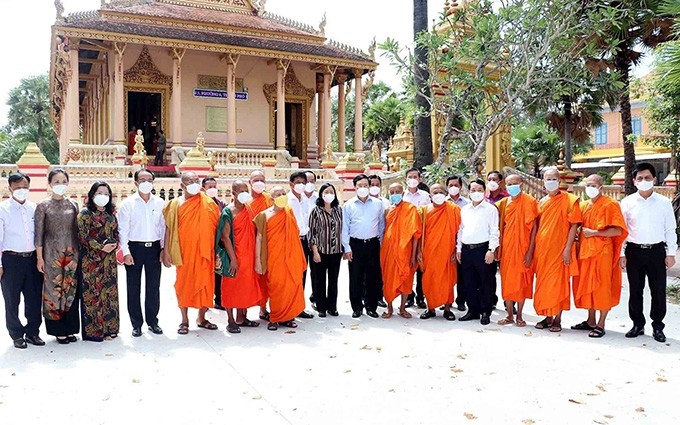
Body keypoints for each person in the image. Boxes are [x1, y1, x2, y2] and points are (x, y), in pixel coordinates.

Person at [619, 163, 677, 343]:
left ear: (654, 179)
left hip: (657, 251)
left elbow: (670, 229)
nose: (644, 181)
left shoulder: (664, 203)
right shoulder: (627, 202)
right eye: (640, 178)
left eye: (647, 178)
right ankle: (637, 324)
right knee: (635, 291)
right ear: (634, 181)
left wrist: (671, 253)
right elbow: (622, 230)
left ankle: (658, 326)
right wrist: (622, 253)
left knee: (658, 291)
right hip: (634, 251)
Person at [162, 171, 221, 335]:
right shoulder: (175, 204)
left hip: (205, 252)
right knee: (183, 285)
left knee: (206, 284)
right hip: (184, 252)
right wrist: (166, 251)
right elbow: (168, 229)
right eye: (190, 181)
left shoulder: (208, 203)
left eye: (196, 180)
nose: (194, 183)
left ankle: (201, 318)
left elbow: (217, 230)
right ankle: (184, 320)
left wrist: (217, 252)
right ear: (182, 185)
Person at [571, 174, 627, 338]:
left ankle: (601, 324)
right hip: (585, 252)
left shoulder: (610, 204)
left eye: (594, 185)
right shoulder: (582, 206)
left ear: (601, 187)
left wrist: (595, 232)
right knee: (588, 286)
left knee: (602, 287)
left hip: (603, 253)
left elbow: (618, 230)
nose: (590, 188)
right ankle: (590, 320)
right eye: (588, 184)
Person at [35, 169, 81, 344]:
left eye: (64, 181)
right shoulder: (43, 206)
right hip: (51, 254)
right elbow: (38, 235)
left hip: (72, 254)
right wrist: (39, 258)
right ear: (50, 184)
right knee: (53, 292)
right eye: (56, 181)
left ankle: (70, 329)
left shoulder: (73, 205)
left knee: (70, 291)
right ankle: (57, 330)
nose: (60, 185)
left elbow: (77, 231)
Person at [117, 169, 165, 337]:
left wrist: (163, 249)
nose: (146, 182)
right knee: (133, 287)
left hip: (153, 249)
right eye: (142, 179)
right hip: (134, 248)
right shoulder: (127, 204)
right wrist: (126, 252)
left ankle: (153, 321)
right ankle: (136, 324)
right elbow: (123, 230)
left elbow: (163, 228)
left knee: (153, 287)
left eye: (149, 179)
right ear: (135, 182)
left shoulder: (160, 203)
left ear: (153, 182)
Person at [533, 167, 581, 332]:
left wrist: (568, 248)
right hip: (542, 250)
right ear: (543, 181)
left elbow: (574, 225)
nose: (551, 182)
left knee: (559, 284)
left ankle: (557, 319)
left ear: (559, 180)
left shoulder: (569, 200)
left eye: (554, 178)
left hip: (560, 249)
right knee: (544, 284)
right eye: (548, 179)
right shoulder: (541, 201)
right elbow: (537, 226)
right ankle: (547, 316)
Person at [254, 186, 306, 331]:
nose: (282, 196)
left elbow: (294, 235)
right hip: (274, 258)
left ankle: (288, 317)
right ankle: (275, 317)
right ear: (271, 199)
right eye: (278, 194)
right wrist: (257, 259)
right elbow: (259, 238)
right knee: (275, 287)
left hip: (291, 256)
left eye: (283, 193)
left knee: (291, 286)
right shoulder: (264, 215)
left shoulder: (289, 212)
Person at [0, 173, 43, 349]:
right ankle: (16, 334)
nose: (21, 190)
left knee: (34, 298)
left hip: (32, 259)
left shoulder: (35, 208)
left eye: (24, 187)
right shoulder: (3, 210)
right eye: (17, 187)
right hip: (11, 260)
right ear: (10, 188)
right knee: (12, 300)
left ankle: (33, 332)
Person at [77, 181, 120, 342]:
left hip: (109, 261)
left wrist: (114, 244)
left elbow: (116, 233)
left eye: (106, 194)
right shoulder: (85, 214)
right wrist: (101, 247)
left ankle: (110, 328)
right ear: (92, 195)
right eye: (99, 193)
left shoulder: (111, 215)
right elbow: (82, 237)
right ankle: (94, 331)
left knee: (109, 294)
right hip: (91, 261)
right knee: (93, 294)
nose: (103, 196)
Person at [495, 174, 539, 327]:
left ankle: (519, 315)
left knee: (521, 282)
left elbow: (534, 229)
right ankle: (509, 315)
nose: (512, 186)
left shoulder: (530, 202)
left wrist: (530, 251)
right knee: (507, 282)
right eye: (509, 184)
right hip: (507, 248)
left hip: (524, 247)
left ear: (522, 184)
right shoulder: (502, 204)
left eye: (515, 183)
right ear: (505, 186)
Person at [218, 180, 261, 334]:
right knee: (231, 287)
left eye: (246, 190)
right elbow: (225, 237)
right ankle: (230, 320)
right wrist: (233, 259)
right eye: (240, 191)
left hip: (248, 255)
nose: (244, 193)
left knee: (245, 287)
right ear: (233, 193)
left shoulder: (248, 208)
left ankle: (242, 317)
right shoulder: (228, 212)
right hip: (234, 256)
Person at [456, 179, 499, 325]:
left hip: (483, 249)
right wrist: (459, 248)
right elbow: (461, 230)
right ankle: (472, 310)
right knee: (469, 282)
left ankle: (485, 311)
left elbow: (494, 230)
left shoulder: (490, 209)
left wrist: (491, 250)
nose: (476, 193)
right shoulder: (464, 210)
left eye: (479, 190)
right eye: (473, 190)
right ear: (468, 192)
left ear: (484, 191)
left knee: (486, 282)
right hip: (467, 250)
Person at [341, 174, 385, 318]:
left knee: (373, 276)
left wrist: (379, 241)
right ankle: (357, 307)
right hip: (355, 244)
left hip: (372, 244)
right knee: (356, 277)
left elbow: (381, 225)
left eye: (366, 185)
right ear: (355, 187)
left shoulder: (378, 203)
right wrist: (346, 247)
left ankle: (371, 306)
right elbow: (345, 228)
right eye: (360, 186)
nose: (363, 188)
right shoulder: (348, 205)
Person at [418, 183, 461, 321]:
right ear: (430, 195)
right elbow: (419, 234)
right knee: (428, 280)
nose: (438, 194)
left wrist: (456, 250)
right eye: (435, 192)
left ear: (446, 193)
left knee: (447, 280)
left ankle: (448, 308)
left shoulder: (454, 209)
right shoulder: (423, 211)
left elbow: (459, 231)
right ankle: (430, 308)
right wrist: (419, 251)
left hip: (448, 251)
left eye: (441, 191)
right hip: (429, 252)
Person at [380, 183, 422, 319]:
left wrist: (414, 254)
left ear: (403, 193)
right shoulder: (387, 210)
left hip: (406, 250)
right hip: (389, 250)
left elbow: (416, 234)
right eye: (392, 192)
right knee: (388, 279)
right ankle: (389, 307)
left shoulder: (411, 209)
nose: (395, 194)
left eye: (397, 191)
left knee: (406, 279)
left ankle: (402, 308)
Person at [308, 183, 343, 318]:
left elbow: (343, 230)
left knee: (333, 280)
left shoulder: (339, 210)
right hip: (320, 251)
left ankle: (332, 307)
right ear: (321, 194)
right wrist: (315, 252)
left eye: (331, 192)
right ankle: (321, 306)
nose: (329, 194)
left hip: (336, 251)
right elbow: (313, 232)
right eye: (326, 192)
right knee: (320, 280)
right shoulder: (316, 211)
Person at [287, 171, 314, 319]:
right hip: (292, 241)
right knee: (291, 275)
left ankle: (299, 307)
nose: (301, 185)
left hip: (304, 240)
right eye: (297, 182)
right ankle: (289, 307)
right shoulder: (286, 200)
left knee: (302, 275)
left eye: (303, 182)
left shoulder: (305, 200)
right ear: (291, 184)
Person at [403, 167, 431, 309]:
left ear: (420, 179)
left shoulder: (425, 196)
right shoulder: (402, 195)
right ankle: (409, 295)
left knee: (421, 267)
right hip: (407, 236)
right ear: (406, 179)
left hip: (423, 235)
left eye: (415, 176)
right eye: (410, 177)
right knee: (408, 266)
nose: (413, 179)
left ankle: (421, 297)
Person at [248, 170, 274, 321]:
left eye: (262, 180)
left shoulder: (269, 199)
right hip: (248, 243)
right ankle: (243, 310)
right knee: (248, 278)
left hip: (265, 243)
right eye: (256, 179)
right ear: (250, 181)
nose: (259, 183)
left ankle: (263, 309)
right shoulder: (245, 201)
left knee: (264, 277)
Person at [446, 175, 470, 311]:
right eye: (450, 185)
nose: (453, 187)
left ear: (460, 186)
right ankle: (446, 300)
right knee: (446, 273)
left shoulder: (467, 203)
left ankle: (461, 300)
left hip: (462, 241)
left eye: (456, 185)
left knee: (462, 273)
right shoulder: (442, 202)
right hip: (445, 241)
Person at [202, 176, 226, 311]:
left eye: (214, 186)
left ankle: (219, 299)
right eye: (209, 187)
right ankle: (205, 300)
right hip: (204, 242)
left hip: (218, 243)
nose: (212, 189)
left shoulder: (221, 204)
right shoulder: (199, 204)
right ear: (203, 189)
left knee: (218, 272)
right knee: (204, 272)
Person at [368, 174, 389, 309]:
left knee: (380, 270)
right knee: (367, 271)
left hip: (384, 240)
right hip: (369, 240)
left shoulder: (386, 202)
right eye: (372, 185)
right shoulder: (363, 201)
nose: (375, 187)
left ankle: (379, 296)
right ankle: (367, 296)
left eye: (377, 185)